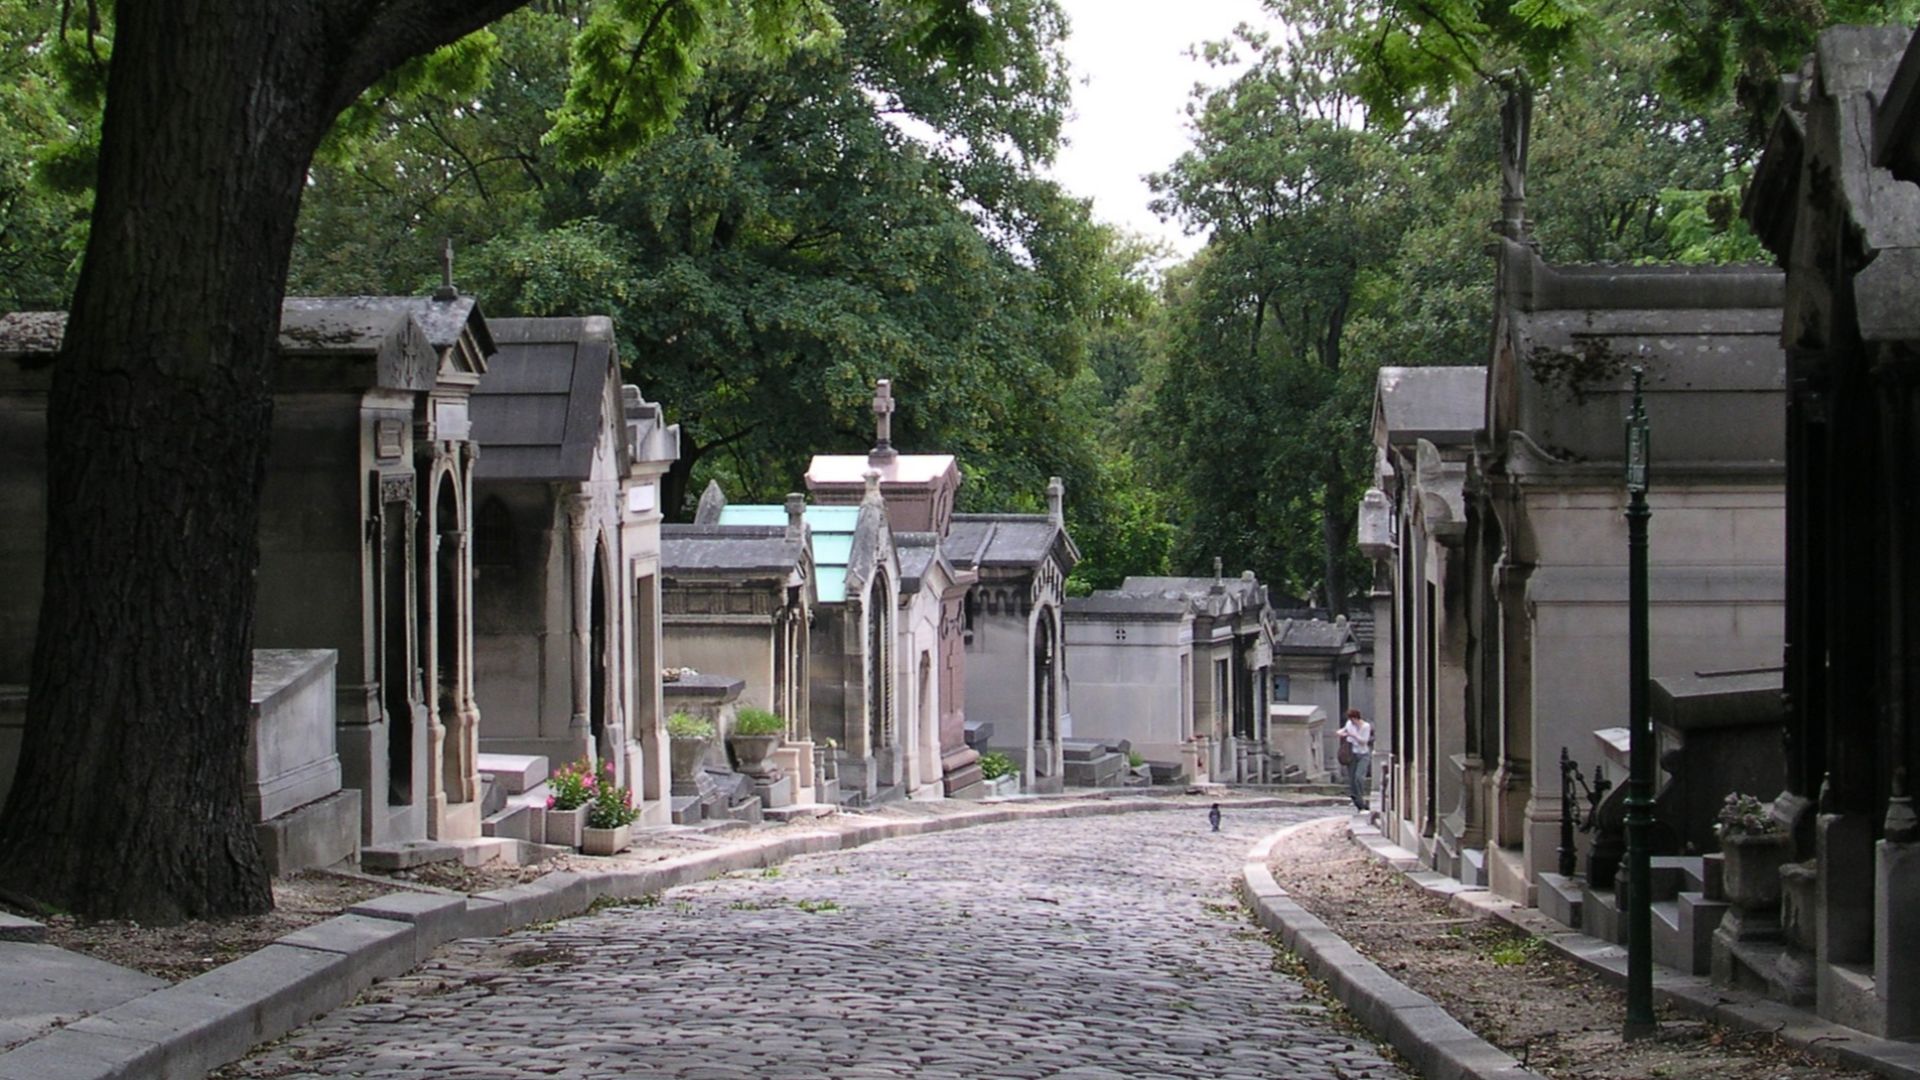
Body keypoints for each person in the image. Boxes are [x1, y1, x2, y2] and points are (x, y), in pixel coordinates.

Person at [1338, 708, 1373, 811]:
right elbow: (1341, 731)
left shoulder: (1366, 726)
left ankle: (1361, 796)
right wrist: (1342, 733)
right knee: (1352, 778)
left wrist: (1353, 735)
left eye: (1353, 719)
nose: (1352, 722)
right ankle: (1357, 800)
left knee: (1359, 777)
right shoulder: (1349, 724)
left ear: (1357, 718)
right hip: (1352, 753)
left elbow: (1364, 741)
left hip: (1363, 754)